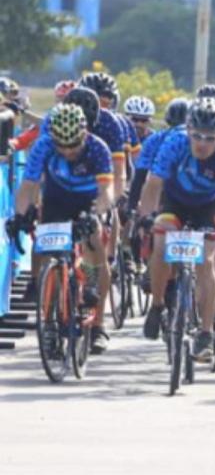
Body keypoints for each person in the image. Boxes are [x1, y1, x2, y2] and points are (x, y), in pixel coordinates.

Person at [138, 98, 215, 363]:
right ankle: (157, 305)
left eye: (210, 138)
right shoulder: (174, 143)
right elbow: (153, 185)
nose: (202, 143)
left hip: (210, 204)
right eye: (196, 136)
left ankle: (206, 333)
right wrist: (146, 217)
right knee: (161, 245)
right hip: (174, 201)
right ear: (188, 131)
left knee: (207, 260)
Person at [10, 104, 114, 354]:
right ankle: (51, 322)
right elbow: (28, 186)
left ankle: (98, 324)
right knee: (48, 256)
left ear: (84, 134)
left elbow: (107, 191)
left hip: (88, 201)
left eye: (73, 145)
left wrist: (96, 212)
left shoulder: (98, 148)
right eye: (62, 145)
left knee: (94, 244)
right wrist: (21, 215)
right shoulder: (44, 146)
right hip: (56, 200)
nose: (67, 151)